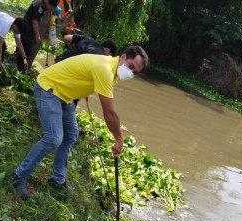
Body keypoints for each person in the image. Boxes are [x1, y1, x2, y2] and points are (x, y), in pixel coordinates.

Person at [13, 45, 149, 199]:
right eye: (131, 67)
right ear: (123, 57)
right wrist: (119, 138)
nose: (130, 73)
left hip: (65, 94)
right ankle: (20, 175)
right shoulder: (105, 69)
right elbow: (109, 113)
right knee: (53, 139)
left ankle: (57, 180)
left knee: (71, 135)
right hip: (49, 87)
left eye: (134, 72)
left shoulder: (113, 71)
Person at [55, 33, 117, 107]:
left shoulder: (88, 39)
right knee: (70, 100)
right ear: (107, 50)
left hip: (58, 63)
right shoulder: (101, 60)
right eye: (110, 57)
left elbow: (66, 37)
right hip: (69, 74)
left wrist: (73, 52)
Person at [17, 0, 59, 70]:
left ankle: (21, 68)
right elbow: (35, 21)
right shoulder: (38, 5)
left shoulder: (42, 5)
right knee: (25, 49)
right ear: (48, 2)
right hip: (27, 29)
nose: (50, 9)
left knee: (27, 49)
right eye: (51, 6)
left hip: (30, 30)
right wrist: (37, 35)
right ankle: (20, 69)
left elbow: (38, 20)